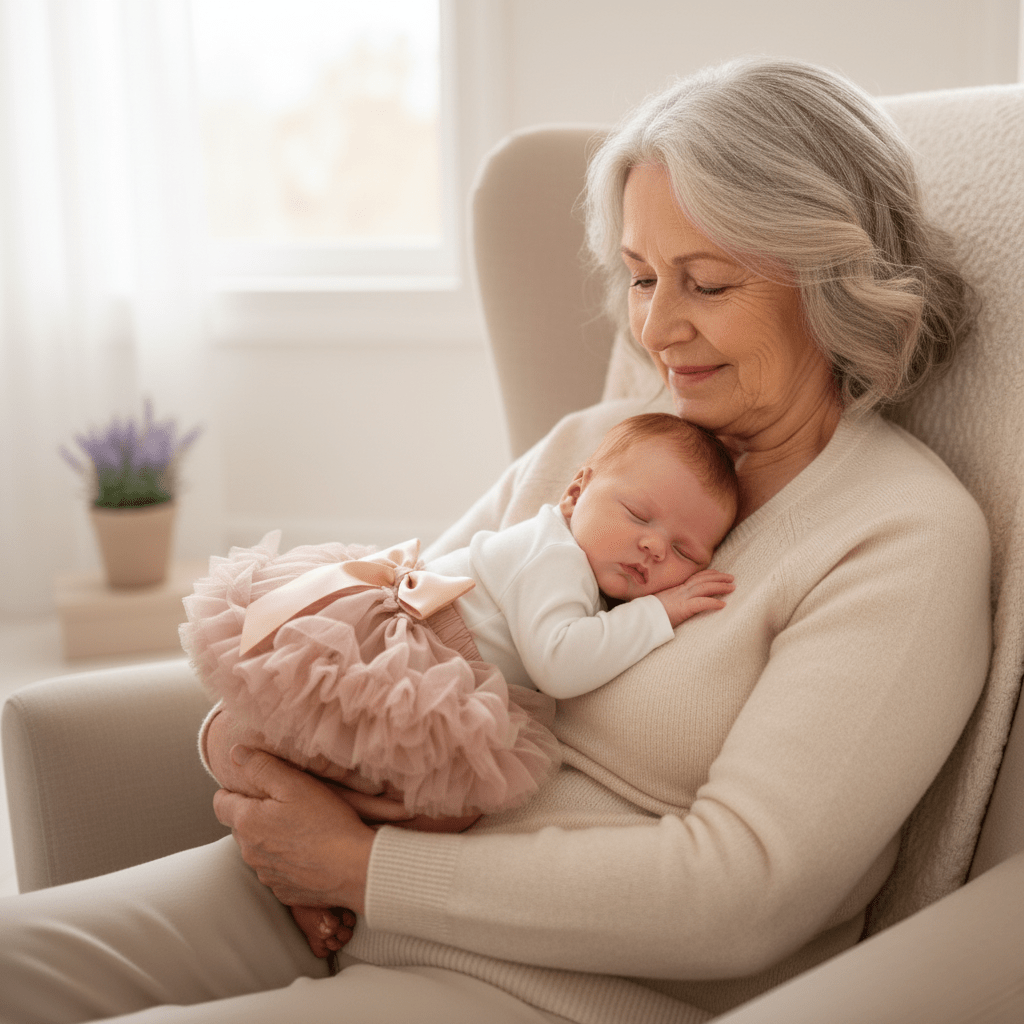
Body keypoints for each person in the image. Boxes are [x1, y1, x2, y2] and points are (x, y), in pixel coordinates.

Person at [0, 57, 991, 1024]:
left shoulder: (900, 537)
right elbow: (395, 637)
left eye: (706, 284)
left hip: (536, 986)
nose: (657, 329)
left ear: (835, 279)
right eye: (642, 278)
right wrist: (244, 757)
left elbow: (743, 892)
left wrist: (362, 865)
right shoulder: (596, 445)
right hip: (302, 901)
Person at [184, 411, 737, 958]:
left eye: (687, 551)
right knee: (244, 738)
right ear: (577, 490)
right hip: (411, 658)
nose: (656, 548)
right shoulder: (555, 555)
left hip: (435, 683)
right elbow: (560, 664)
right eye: (639, 515)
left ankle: (318, 863)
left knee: (453, 808)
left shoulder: (585, 573)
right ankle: (282, 810)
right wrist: (659, 612)